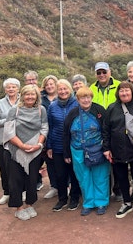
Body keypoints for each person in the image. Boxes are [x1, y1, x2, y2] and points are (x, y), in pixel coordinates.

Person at [102, 82, 133, 219]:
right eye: (121, 91)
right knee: (121, 178)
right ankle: (126, 202)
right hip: (117, 150)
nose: (124, 93)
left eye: (126, 90)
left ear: (132, 91)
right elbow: (106, 130)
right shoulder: (112, 108)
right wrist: (106, 148)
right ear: (118, 93)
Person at [3, 84, 48, 221]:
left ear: (37, 96)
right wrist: (22, 146)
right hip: (15, 151)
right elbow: (9, 132)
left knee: (32, 178)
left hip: (34, 151)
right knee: (15, 180)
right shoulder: (13, 111)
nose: (30, 97)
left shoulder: (41, 110)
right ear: (22, 96)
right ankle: (19, 208)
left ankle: (29, 204)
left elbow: (44, 127)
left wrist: (39, 144)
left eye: (32, 94)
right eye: (27, 94)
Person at [63, 86, 109, 216]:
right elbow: (66, 134)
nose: (86, 100)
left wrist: (106, 148)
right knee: (84, 177)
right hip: (77, 150)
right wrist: (66, 153)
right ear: (77, 99)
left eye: (88, 96)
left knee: (100, 176)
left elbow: (106, 131)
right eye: (82, 97)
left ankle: (101, 202)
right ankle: (88, 203)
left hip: (97, 149)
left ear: (91, 97)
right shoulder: (72, 114)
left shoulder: (99, 110)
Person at [46, 79, 82, 212]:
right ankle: (62, 199)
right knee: (60, 175)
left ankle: (74, 198)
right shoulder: (52, 106)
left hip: (74, 145)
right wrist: (49, 146)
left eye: (65, 88)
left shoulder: (77, 103)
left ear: (70, 89)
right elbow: (49, 126)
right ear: (57, 90)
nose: (63, 91)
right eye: (60, 89)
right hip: (57, 145)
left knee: (74, 173)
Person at [89, 61, 122, 201]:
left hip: (116, 127)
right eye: (99, 73)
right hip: (97, 129)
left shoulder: (119, 86)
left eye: (104, 72)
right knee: (102, 161)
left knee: (117, 161)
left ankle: (119, 190)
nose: (101, 75)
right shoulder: (91, 88)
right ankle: (105, 192)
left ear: (110, 72)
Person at [0, 78, 20, 205]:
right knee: (4, 168)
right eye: (8, 87)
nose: (11, 89)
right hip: (3, 141)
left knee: (21, 167)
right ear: (5, 89)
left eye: (13, 87)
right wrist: (9, 120)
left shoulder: (24, 101)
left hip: (20, 141)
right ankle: (7, 193)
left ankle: (22, 191)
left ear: (18, 88)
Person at [40, 74, 59, 199]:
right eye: (47, 85)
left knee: (64, 160)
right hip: (46, 133)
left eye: (52, 84)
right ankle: (54, 186)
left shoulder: (63, 96)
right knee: (50, 160)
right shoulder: (41, 99)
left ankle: (67, 185)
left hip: (60, 132)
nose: (50, 86)